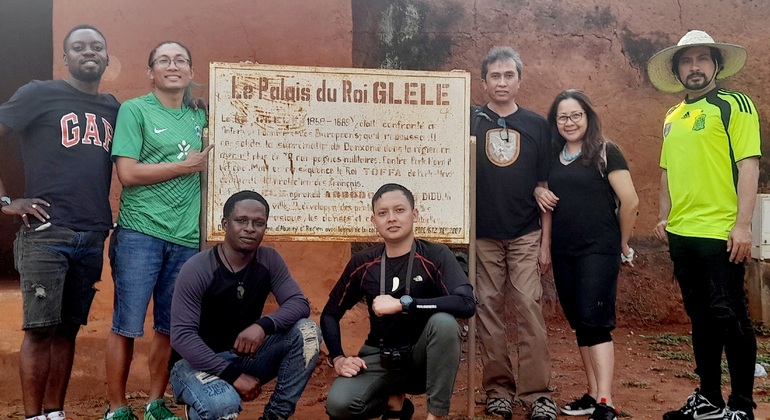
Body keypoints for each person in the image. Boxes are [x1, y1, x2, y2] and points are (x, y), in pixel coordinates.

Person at [0, 25, 119, 420]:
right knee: (39, 329)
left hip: (92, 232)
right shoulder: (39, 94)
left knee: (67, 329)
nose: (89, 52)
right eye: (79, 47)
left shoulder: (113, 107)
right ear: (65, 58)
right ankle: (34, 416)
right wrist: (6, 200)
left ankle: (55, 413)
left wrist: (193, 105)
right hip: (46, 233)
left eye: (97, 47)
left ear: (106, 57)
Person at [646, 30, 760, 420]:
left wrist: (743, 225)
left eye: (701, 59)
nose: (694, 67)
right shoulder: (672, 116)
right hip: (683, 233)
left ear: (716, 65)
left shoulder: (734, 105)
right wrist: (664, 216)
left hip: (721, 233)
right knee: (700, 319)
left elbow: (748, 166)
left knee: (731, 316)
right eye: (686, 61)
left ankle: (742, 407)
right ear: (677, 70)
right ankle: (710, 399)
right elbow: (666, 171)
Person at [104, 40, 212, 420]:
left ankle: (155, 403)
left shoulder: (200, 116)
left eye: (180, 60)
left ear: (190, 72)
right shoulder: (135, 111)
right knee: (126, 325)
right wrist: (184, 167)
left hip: (185, 239)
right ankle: (117, 407)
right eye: (163, 60)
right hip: (140, 233)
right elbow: (128, 173)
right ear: (151, 71)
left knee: (169, 326)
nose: (172, 65)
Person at [322, 183, 476, 420]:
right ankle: (394, 404)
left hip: (422, 359)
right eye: (383, 213)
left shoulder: (435, 255)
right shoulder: (363, 263)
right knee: (339, 405)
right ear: (374, 221)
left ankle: (436, 415)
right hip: (380, 357)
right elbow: (330, 313)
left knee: (444, 324)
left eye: (399, 210)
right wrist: (338, 358)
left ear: (414, 214)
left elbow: (466, 303)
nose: (391, 219)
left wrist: (406, 304)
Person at [169, 190, 321, 420]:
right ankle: (201, 406)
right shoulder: (198, 268)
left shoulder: (269, 260)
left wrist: (262, 326)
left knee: (307, 332)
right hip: (194, 364)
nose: (250, 228)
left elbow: (299, 303)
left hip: (244, 356)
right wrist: (233, 375)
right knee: (222, 405)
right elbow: (181, 336)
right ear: (225, 224)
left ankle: (275, 416)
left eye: (258, 223)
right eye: (241, 221)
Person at [535, 89, 639, 420]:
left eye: (576, 115)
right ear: (555, 122)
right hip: (565, 250)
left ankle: (606, 400)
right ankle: (592, 394)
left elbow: (631, 201)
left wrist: (621, 243)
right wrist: (546, 244)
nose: (570, 122)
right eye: (562, 117)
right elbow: (547, 205)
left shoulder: (606, 152)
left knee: (595, 320)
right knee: (580, 321)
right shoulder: (552, 157)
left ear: (588, 117)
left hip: (599, 248)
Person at [471, 46, 556, 420]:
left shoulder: (538, 125)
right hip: (483, 236)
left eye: (509, 75)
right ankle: (498, 390)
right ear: (484, 81)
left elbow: (545, 186)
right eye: (495, 76)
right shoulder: (471, 121)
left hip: (525, 234)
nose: (502, 82)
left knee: (528, 307)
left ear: (519, 80)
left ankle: (537, 393)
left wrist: (545, 243)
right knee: (487, 309)